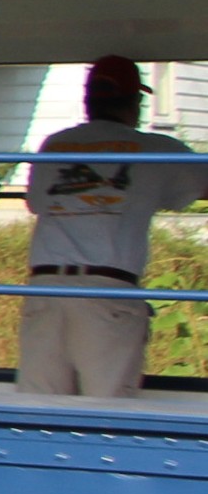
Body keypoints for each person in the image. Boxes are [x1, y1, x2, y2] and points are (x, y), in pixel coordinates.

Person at [16, 56, 208, 399]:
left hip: (45, 289)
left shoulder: (53, 145)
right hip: (107, 292)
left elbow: (35, 202)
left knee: (40, 407)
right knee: (108, 409)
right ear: (135, 103)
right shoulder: (155, 149)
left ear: (88, 101)